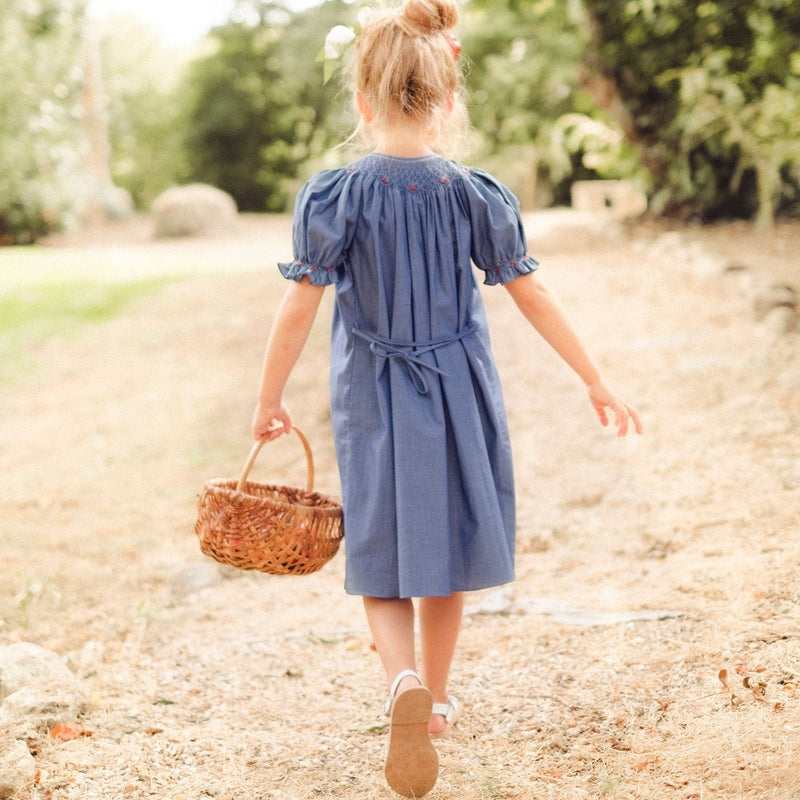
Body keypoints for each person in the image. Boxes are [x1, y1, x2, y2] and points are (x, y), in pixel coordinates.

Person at [251, 0, 642, 795]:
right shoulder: (472, 192)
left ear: (361, 100)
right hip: (458, 386)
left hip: (373, 390)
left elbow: (301, 304)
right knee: (451, 541)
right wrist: (594, 378)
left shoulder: (337, 195)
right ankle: (436, 698)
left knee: (381, 546)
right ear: (445, 98)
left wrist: (268, 398)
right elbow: (531, 294)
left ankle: (400, 683)